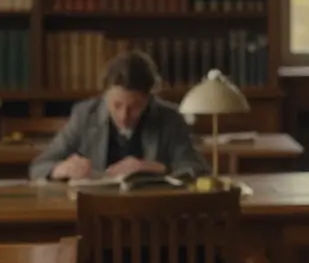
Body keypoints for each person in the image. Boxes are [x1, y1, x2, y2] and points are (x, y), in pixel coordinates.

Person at [29, 50, 210, 181]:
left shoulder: (169, 118)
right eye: (116, 105)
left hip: (153, 211)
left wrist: (159, 168)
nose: (124, 116)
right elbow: (38, 167)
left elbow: (198, 170)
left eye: (135, 107)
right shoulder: (85, 115)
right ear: (105, 94)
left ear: (149, 99)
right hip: (95, 209)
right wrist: (61, 169)